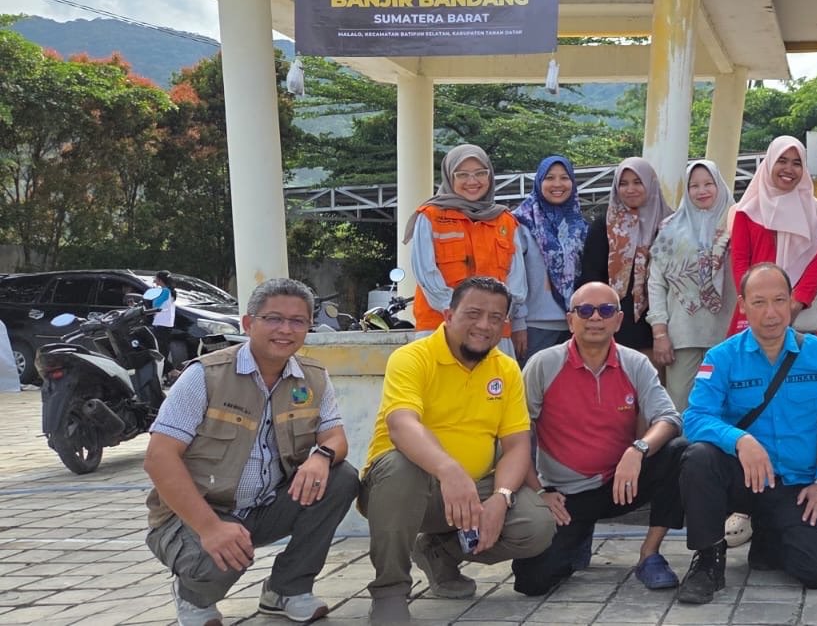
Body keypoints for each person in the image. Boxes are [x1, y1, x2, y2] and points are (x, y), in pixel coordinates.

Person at [144, 277, 357, 626]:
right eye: (273, 318)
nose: (285, 330)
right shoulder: (205, 375)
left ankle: (286, 590)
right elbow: (159, 457)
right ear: (248, 323)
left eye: (297, 321)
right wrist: (211, 527)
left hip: (264, 506)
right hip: (198, 512)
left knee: (341, 478)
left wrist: (322, 456)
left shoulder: (313, 378)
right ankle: (193, 596)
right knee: (220, 560)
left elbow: (336, 437)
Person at [360, 276, 555, 623]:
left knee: (536, 524)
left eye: (495, 318)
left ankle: (439, 551)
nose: (484, 325)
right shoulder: (412, 358)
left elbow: (516, 445)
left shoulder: (506, 368)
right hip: (406, 491)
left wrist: (501, 497)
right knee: (400, 468)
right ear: (448, 315)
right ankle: (390, 591)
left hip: (474, 489)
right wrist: (449, 471)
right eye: (473, 314)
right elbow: (401, 425)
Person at [674, 263, 817, 605]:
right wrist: (739, 440)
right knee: (698, 457)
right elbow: (695, 418)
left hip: (795, 483)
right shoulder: (722, 357)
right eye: (759, 302)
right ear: (743, 305)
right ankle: (708, 560)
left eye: (779, 300)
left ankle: (770, 536)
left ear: (792, 302)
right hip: (742, 479)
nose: (771, 313)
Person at [512, 282, 687, 597]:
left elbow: (669, 418)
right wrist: (539, 492)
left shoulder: (635, 363)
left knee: (681, 452)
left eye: (606, 310)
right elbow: (515, 434)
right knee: (531, 581)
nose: (595, 318)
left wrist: (638, 450)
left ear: (618, 321)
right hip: (565, 495)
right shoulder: (543, 364)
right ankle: (577, 539)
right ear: (570, 320)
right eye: (585, 310)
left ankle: (649, 554)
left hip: (621, 483)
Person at [405, 144, 528, 356]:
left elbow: (517, 281)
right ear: (449, 177)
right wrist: (461, 313)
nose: (472, 181)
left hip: (494, 332)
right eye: (462, 175)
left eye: (480, 173)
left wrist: (497, 315)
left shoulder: (506, 220)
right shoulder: (431, 216)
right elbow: (426, 274)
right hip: (440, 327)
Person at [647, 160, 735, 412]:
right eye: (694, 185)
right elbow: (656, 283)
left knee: (729, 405)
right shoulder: (670, 228)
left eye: (708, 183)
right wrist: (660, 333)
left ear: (720, 185)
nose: (701, 191)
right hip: (683, 334)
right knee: (681, 406)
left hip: (729, 333)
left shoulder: (736, 222)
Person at [728, 136, 817, 335]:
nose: (789, 169)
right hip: (756, 309)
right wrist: (756, 301)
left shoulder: (816, 212)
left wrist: (795, 304)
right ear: (770, 163)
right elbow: (739, 262)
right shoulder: (747, 210)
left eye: (797, 163)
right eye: (782, 161)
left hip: (800, 313)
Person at [580, 157, 673, 352]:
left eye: (637, 182)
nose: (630, 189)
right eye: (623, 183)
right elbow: (591, 277)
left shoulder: (671, 224)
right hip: (616, 324)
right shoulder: (604, 226)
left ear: (650, 183)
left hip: (664, 323)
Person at [511, 155, 589, 360]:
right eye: (550, 178)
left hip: (575, 325)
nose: (557, 184)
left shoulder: (580, 226)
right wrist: (517, 322)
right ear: (539, 182)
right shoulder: (521, 223)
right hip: (533, 326)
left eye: (564, 177)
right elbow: (514, 276)